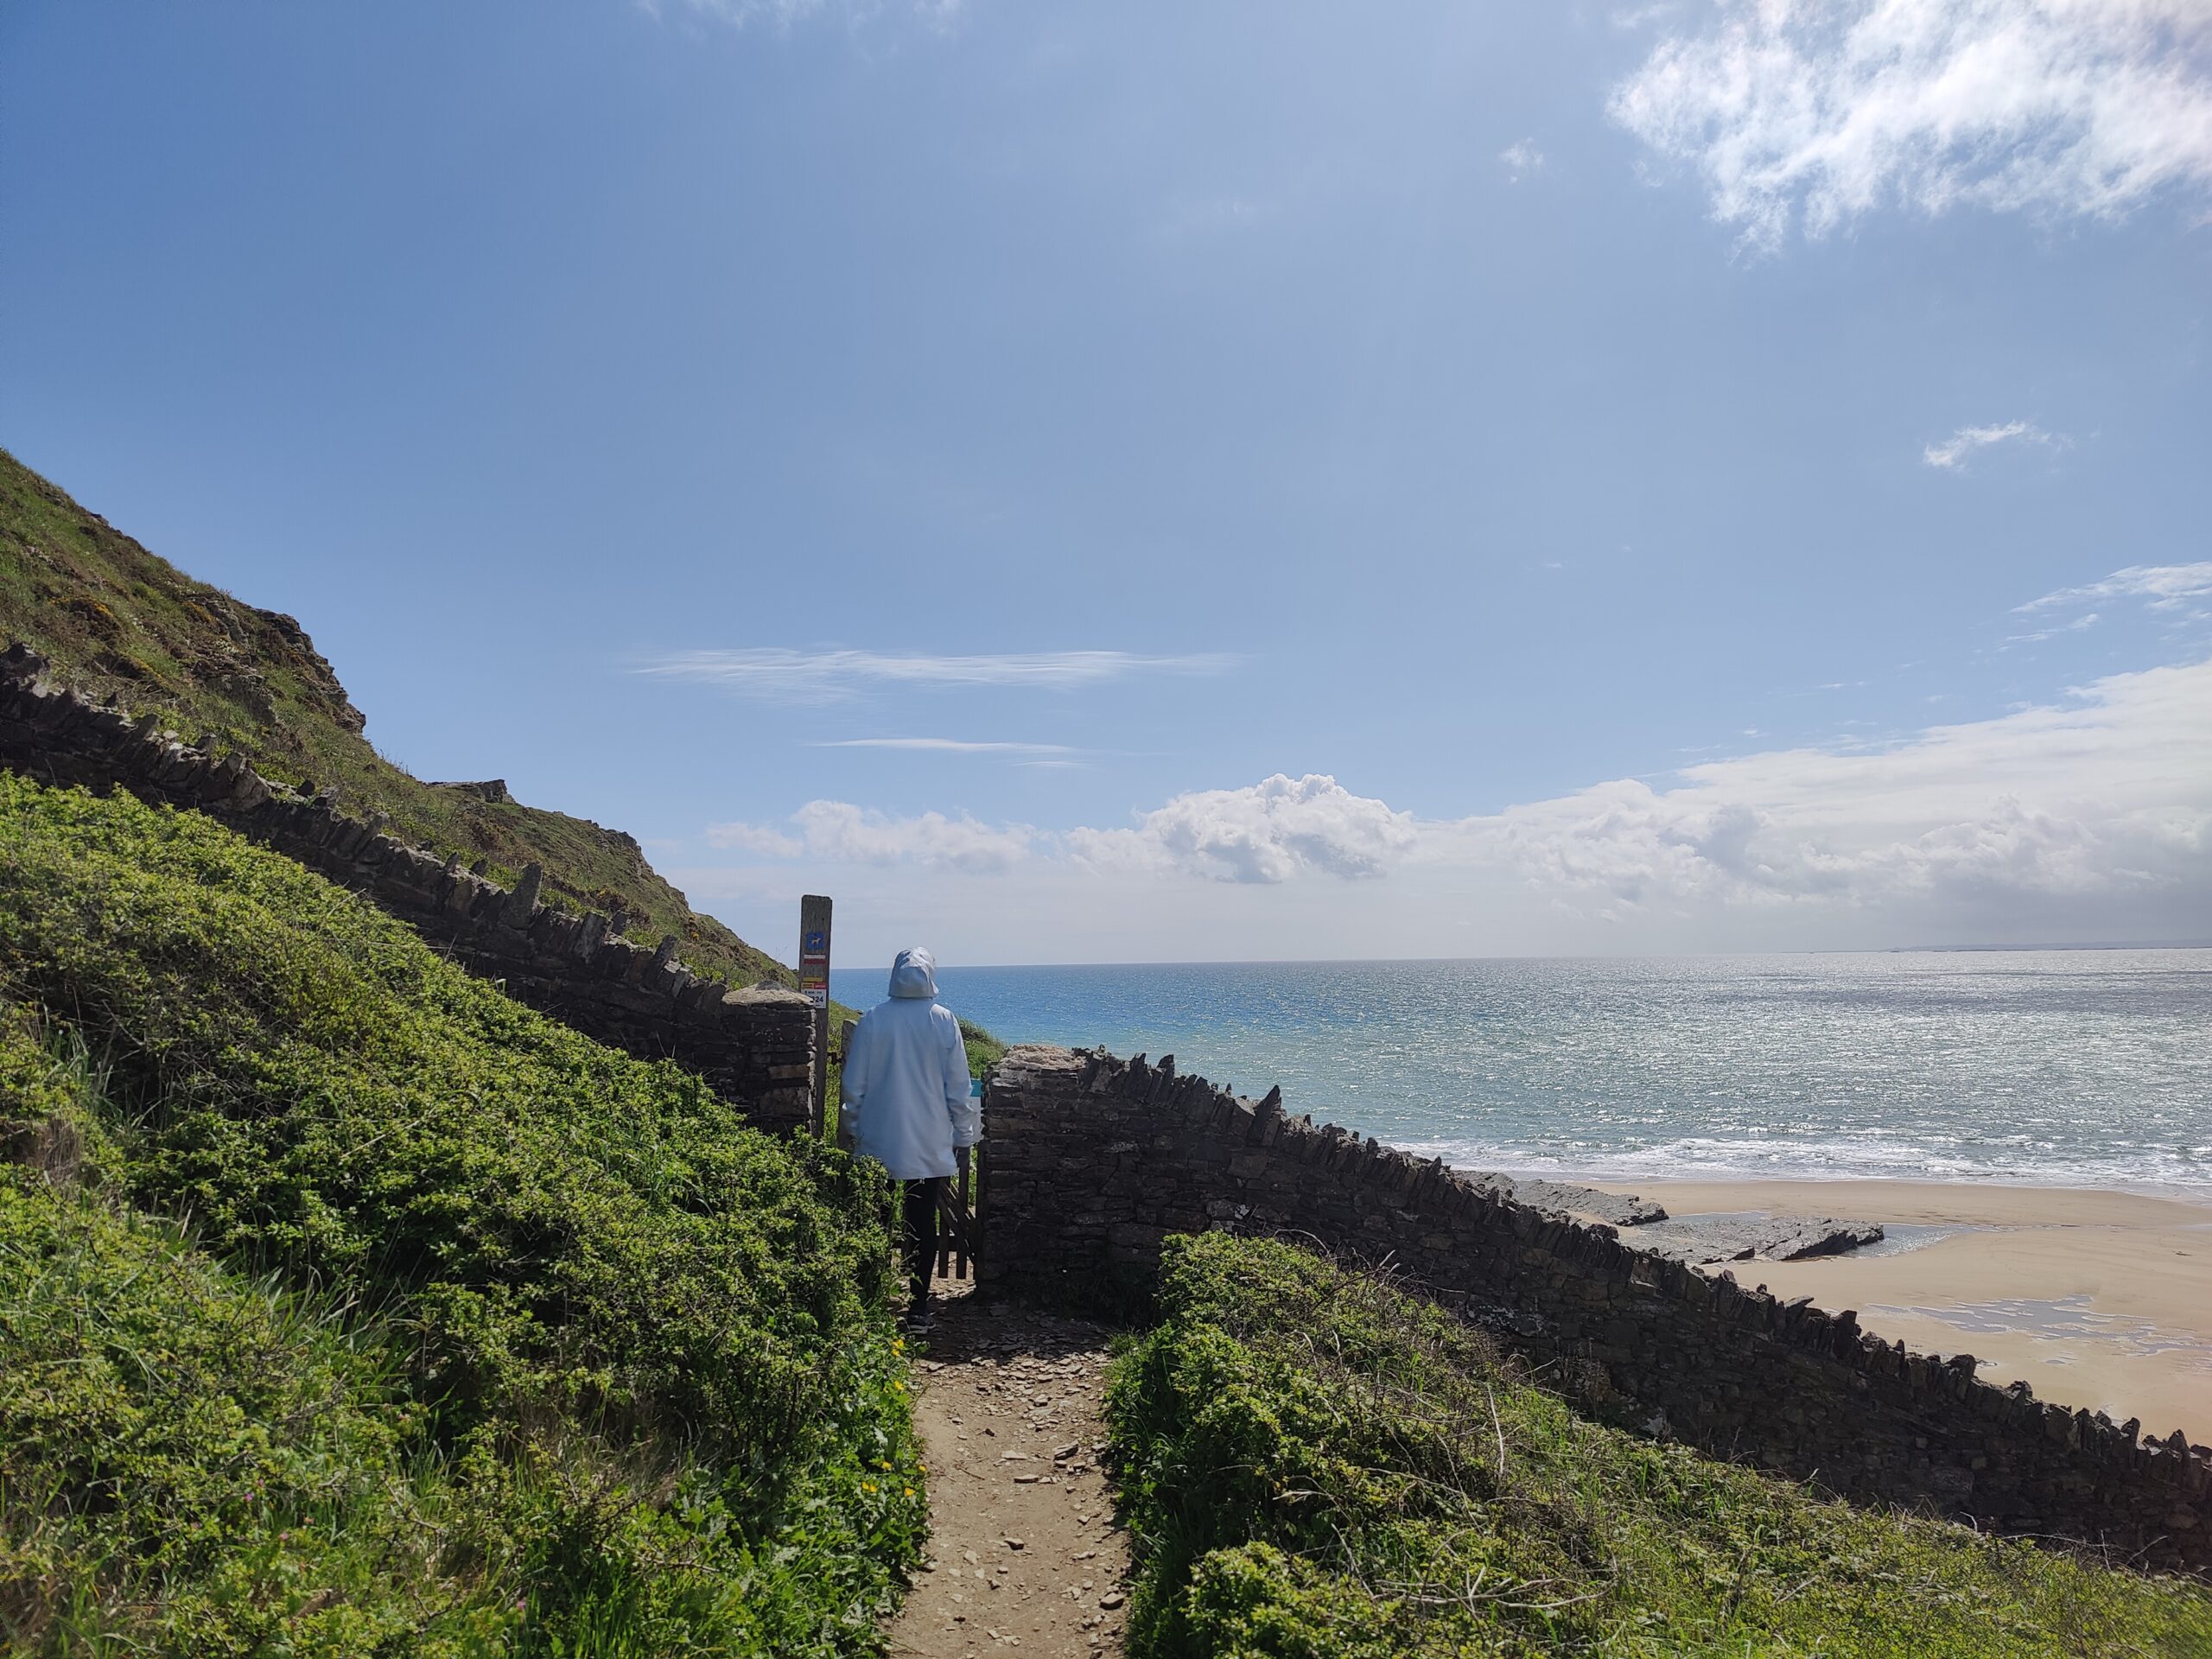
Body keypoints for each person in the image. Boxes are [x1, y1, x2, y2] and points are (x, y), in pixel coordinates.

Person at [839, 945, 981, 1332]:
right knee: (921, 1221)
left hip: (878, 1138)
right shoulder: (943, 1021)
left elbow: (853, 1087)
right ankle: (918, 1308)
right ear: (931, 976)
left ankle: (869, 1300)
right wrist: (964, 1133)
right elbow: (958, 1086)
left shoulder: (872, 1021)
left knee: (877, 1220)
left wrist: (852, 1129)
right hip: (929, 1138)